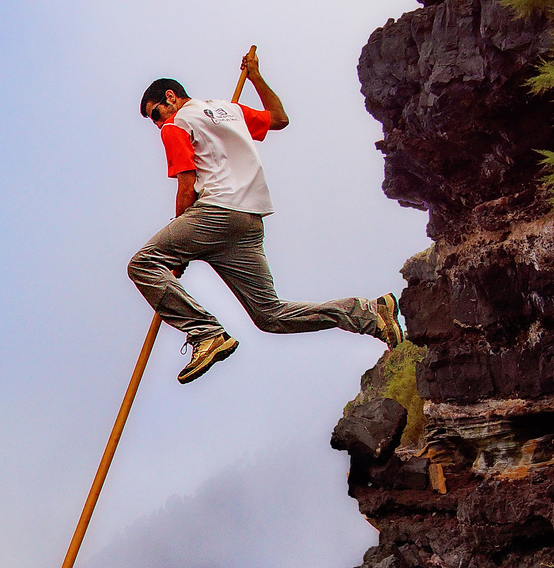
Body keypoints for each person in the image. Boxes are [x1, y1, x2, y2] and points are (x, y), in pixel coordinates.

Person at [130, 49, 403, 384]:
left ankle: (205, 334)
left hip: (217, 211)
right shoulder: (228, 112)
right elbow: (278, 118)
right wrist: (256, 76)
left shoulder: (174, 126)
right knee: (270, 315)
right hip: (248, 221)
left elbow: (186, 185)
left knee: (142, 264)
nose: (157, 122)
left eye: (155, 113)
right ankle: (368, 313)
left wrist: (178, 251)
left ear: (170, 97)